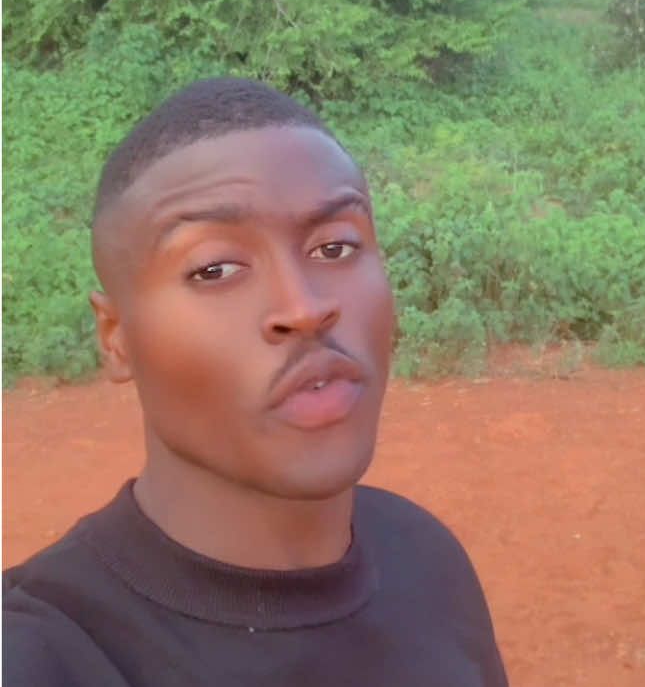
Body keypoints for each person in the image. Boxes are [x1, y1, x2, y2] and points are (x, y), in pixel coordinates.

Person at [3, 78, 510, 686]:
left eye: (335, 248)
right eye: (215, 268)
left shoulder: (427, 561)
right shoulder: (42, 655)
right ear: (116, 337)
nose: (304, 308)